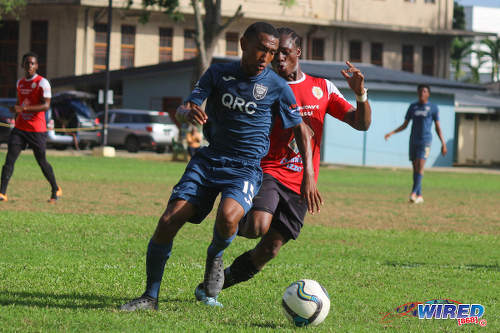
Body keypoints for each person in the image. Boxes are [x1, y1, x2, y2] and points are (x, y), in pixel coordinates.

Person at [120, 22, 322, 311]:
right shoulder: (218, 73)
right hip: (209, 160)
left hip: (245, 167)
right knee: (168, 221)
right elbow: (186, 107)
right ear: (243, 44)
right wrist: (186, 112)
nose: (266, 56)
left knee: (229, 218)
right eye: (261, 49)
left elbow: (301, 130)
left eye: (271, 51)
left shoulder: (276, 86)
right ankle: (150, 297)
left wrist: (309, 176)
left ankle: (215, 255)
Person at [194, 27, 372, 306]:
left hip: (302, 182)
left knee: (270, 249)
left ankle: (213, 284)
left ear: (298, 53)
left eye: (284, 53)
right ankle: (226, 223)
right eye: (275, 53)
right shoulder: (267, 88)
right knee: (257, 226)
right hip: (269, 170)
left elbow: (360, 123)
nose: (278, 59)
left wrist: (361, 95)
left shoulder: (322, 88)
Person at [0, 52, 62, 203]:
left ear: (37, 66)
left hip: (37, 130)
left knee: (42, 162)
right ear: (23, 65)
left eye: (32, 63)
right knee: (9, 160)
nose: (30, 66)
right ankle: (2, 193)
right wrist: (15, 113)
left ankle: (56, 188)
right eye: (27, 63)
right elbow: (19, 102)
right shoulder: (19, 83)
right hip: (20, 129)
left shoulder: (42, 83)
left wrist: (24, 110)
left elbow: (46, 106)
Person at [384, 84, 447, 203]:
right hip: (413, 140)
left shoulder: (433, 108)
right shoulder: (413, 107)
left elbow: (438, 127)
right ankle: (419, 195)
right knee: (415, 168)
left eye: (424, 91)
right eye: (420, 91)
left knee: (420, 165)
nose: (421, 94)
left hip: (425, 140)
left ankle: (413, 193)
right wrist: (391, 133)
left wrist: (443, 143)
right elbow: (405, 125)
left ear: (428, 94)